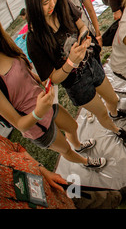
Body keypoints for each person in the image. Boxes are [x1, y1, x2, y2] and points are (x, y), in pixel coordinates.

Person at [25, 0, 126, 146]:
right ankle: (117, 130)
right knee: (100, 113)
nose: (52, 4)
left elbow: (82, 26)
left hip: (92, 64)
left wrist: (84, 37)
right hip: (76, 83)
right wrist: (71, 62)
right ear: (33, 3)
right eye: (45, 2)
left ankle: (115, 113)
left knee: (113, 99)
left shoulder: (63, 5)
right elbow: (53, 79)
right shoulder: (34, 39)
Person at [0, 23, 106, 169]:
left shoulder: (7, 48)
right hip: (36, 123)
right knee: (65, 149)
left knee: (73, 126)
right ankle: (86, 163)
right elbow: (19, 125)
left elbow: (26, 75)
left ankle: (79, 146)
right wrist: (38, 112)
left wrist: (43, 82)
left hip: (47, 102)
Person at [0, 135, 126, 209]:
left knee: (84, 196)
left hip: (53, 187)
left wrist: (43, 170)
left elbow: (16, 148)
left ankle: (114, 198)